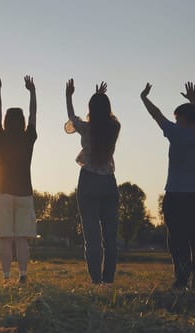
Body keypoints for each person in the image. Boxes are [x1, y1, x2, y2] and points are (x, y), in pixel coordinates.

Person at [140, 82, 195, 290]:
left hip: (177, 195)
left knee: (178, 241)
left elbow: (156, 114)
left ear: (182, 119)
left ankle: (181, 278)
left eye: (177, 118)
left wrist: (144, 97)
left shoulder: (176, 133)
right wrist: (193, 101)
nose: (174, 121)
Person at [65, 79, 121, 285]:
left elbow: (72, 118)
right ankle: (108, 281)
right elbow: (104, 120)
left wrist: (69, 96)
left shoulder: (86, 129)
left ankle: (96, 281)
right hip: (108, 181)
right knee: (110, 238)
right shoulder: (115, 127)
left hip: (88, 180)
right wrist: (100, 98)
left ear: (90, 109)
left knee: (92, 237)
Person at [0, 74, 37, 284]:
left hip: (3, 191)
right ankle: (23, 275)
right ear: (23, 121)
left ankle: (7, 278)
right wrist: (32, 92)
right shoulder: (28, 137)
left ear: (7, 122)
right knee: (22, 238)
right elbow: (34, 114)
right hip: (25, 192)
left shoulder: (0, 136)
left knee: (5, 239)